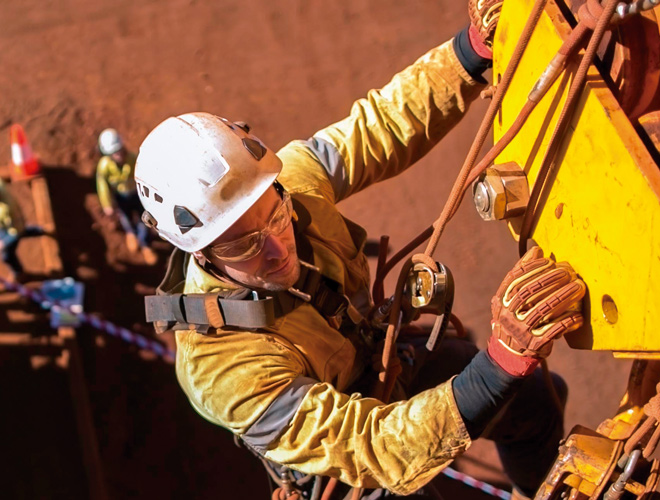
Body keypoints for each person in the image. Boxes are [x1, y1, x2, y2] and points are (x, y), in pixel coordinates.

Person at [135, 22, 586, 500]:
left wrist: (470, 53)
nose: (276, 248)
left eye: (276, 215)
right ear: (199, 253)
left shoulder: (293, 184)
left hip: (378, 359)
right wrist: (500, 363)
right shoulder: (222, 368)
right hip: (344, 451)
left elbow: (380, 127)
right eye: (242, 245)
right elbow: (372, 444)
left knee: (535, 401)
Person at [95, 128, 152, 254]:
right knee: (125, 218)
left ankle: (145, 244)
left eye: (119, 150)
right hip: (120, 197)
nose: (118, 155)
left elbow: (143, 176)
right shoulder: (104, 167)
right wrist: (107, 205)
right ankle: (131, 234)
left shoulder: (133, 159)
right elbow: (102, 186)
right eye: (114, 153)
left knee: (144, 219)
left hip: (136, 195)